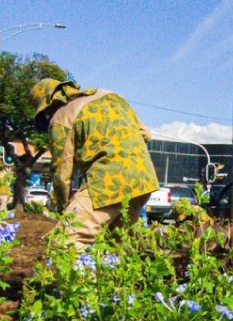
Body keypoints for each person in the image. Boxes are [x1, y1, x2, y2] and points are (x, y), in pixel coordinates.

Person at [31, 78, 160, 249]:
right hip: (144, 179)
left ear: (49, 106)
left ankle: (83, 277)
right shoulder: (111, 96)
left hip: (108, 182)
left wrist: (64, 206)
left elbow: (62, 170)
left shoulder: (61, 117)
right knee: (115, 244)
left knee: (64, 242)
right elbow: (146, 135)